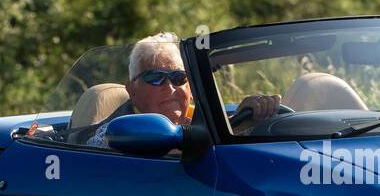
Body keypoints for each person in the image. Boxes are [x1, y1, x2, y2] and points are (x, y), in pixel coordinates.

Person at [85, 32, 280, 148]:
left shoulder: (205, 120)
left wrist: (251, 119)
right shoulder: (112, 134)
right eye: (154, 78)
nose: (169, 87)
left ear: (191, 88)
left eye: (179, 78)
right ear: (132, 91)